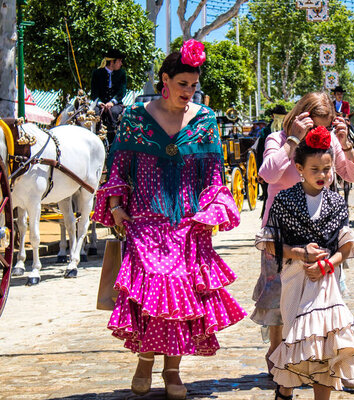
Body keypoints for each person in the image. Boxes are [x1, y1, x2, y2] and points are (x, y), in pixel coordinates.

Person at [92, 40, 246, 399]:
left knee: (180, 298)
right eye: (182, 84)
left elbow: (213, 175)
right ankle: (145, 363)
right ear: (165, 79)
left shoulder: (205, 121)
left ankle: (173, 372)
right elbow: (120, 167)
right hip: (145, 221)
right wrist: (116, 206)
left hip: (189, 225)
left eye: (194, 85)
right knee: (155, 294)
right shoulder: (134, 119)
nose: (189, 92)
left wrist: (212, 211)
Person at [251, 91, 354, 390]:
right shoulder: (278, 138)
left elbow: (353, 176)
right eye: (316, 125)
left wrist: (346, 143)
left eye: (325, 127)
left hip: (323, 233)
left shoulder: (329, 141)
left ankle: (333, 359)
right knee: (279, 302)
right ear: (301, 116)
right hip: (283, 235)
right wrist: (293, 140)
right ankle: (280, 360)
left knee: (330, 299)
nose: (319, 133)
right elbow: (267, 173)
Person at [91, 49, 127, 145]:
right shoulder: (97, 73)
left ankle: (113, 140)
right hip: (100, 104)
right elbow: (94, 92)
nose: (121, 63)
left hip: (116, 104)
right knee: (95, 113)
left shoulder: (122, 74)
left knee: (114, 112)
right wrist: (99, 103)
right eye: (119, 61)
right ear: (112, 62)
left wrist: (113, 102)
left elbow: (122, 92)